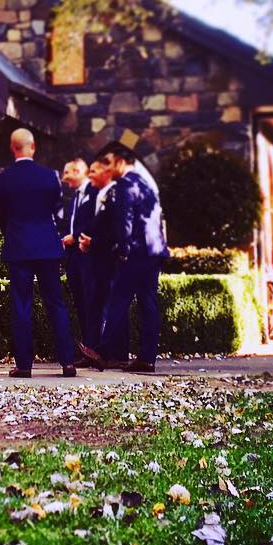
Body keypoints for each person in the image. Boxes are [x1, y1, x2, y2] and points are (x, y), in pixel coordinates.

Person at [0, 128, 76, 379]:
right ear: (33, 146)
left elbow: (1, 215)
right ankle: (67, 361)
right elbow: (58, 211)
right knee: (56, 303)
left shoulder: (3, 179)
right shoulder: (49, 176)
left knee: (21, 305)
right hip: (48, 247)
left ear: (12, 147)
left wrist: (14, 232)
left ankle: (25, 365)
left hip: (19, 247)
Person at [92, 142, 168, 374]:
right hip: (154, 251)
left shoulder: (125, 185)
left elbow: (124, 222)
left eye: (110, 162)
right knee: (147, 303)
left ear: (121, 162)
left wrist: (122, 249)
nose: (108, 166)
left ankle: (104, 353)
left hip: (136, 251)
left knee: (118, 300)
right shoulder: (146, 184)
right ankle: (147, 357)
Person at [75, 156, 116, 367]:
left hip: (110, 258)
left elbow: (116, 229)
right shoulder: (98, 194)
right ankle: (93, 351)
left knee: (110, 306)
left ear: (106, 172)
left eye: (94, 171)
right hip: (96, 256)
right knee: (95, 304)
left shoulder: (115, 194)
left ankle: (112, 355)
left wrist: (94, 242)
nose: (89, 175)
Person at [58, 156, 92, 343]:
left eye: (67, 172)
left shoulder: (93, 193)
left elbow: (95, 222)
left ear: (78, 171)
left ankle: (97, 349)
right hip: (74, 258)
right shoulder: (73, 198)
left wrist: (76, 235)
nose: (64, 178)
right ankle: (88, 347)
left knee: (91, 304)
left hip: (88, 257)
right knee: (81, 304)